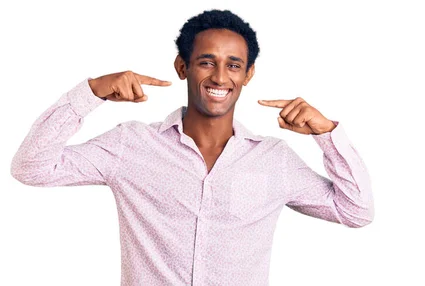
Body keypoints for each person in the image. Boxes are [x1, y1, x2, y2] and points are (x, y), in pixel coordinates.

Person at [11, 9, 374, 286]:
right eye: (206, 62)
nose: (219, 77)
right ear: (182, 67)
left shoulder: (273, 159)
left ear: (248, 75)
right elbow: (32, 168)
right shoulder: (132, 144)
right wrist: (91, 92)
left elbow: (357, 211)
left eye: (233, 65)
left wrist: (326, 135)